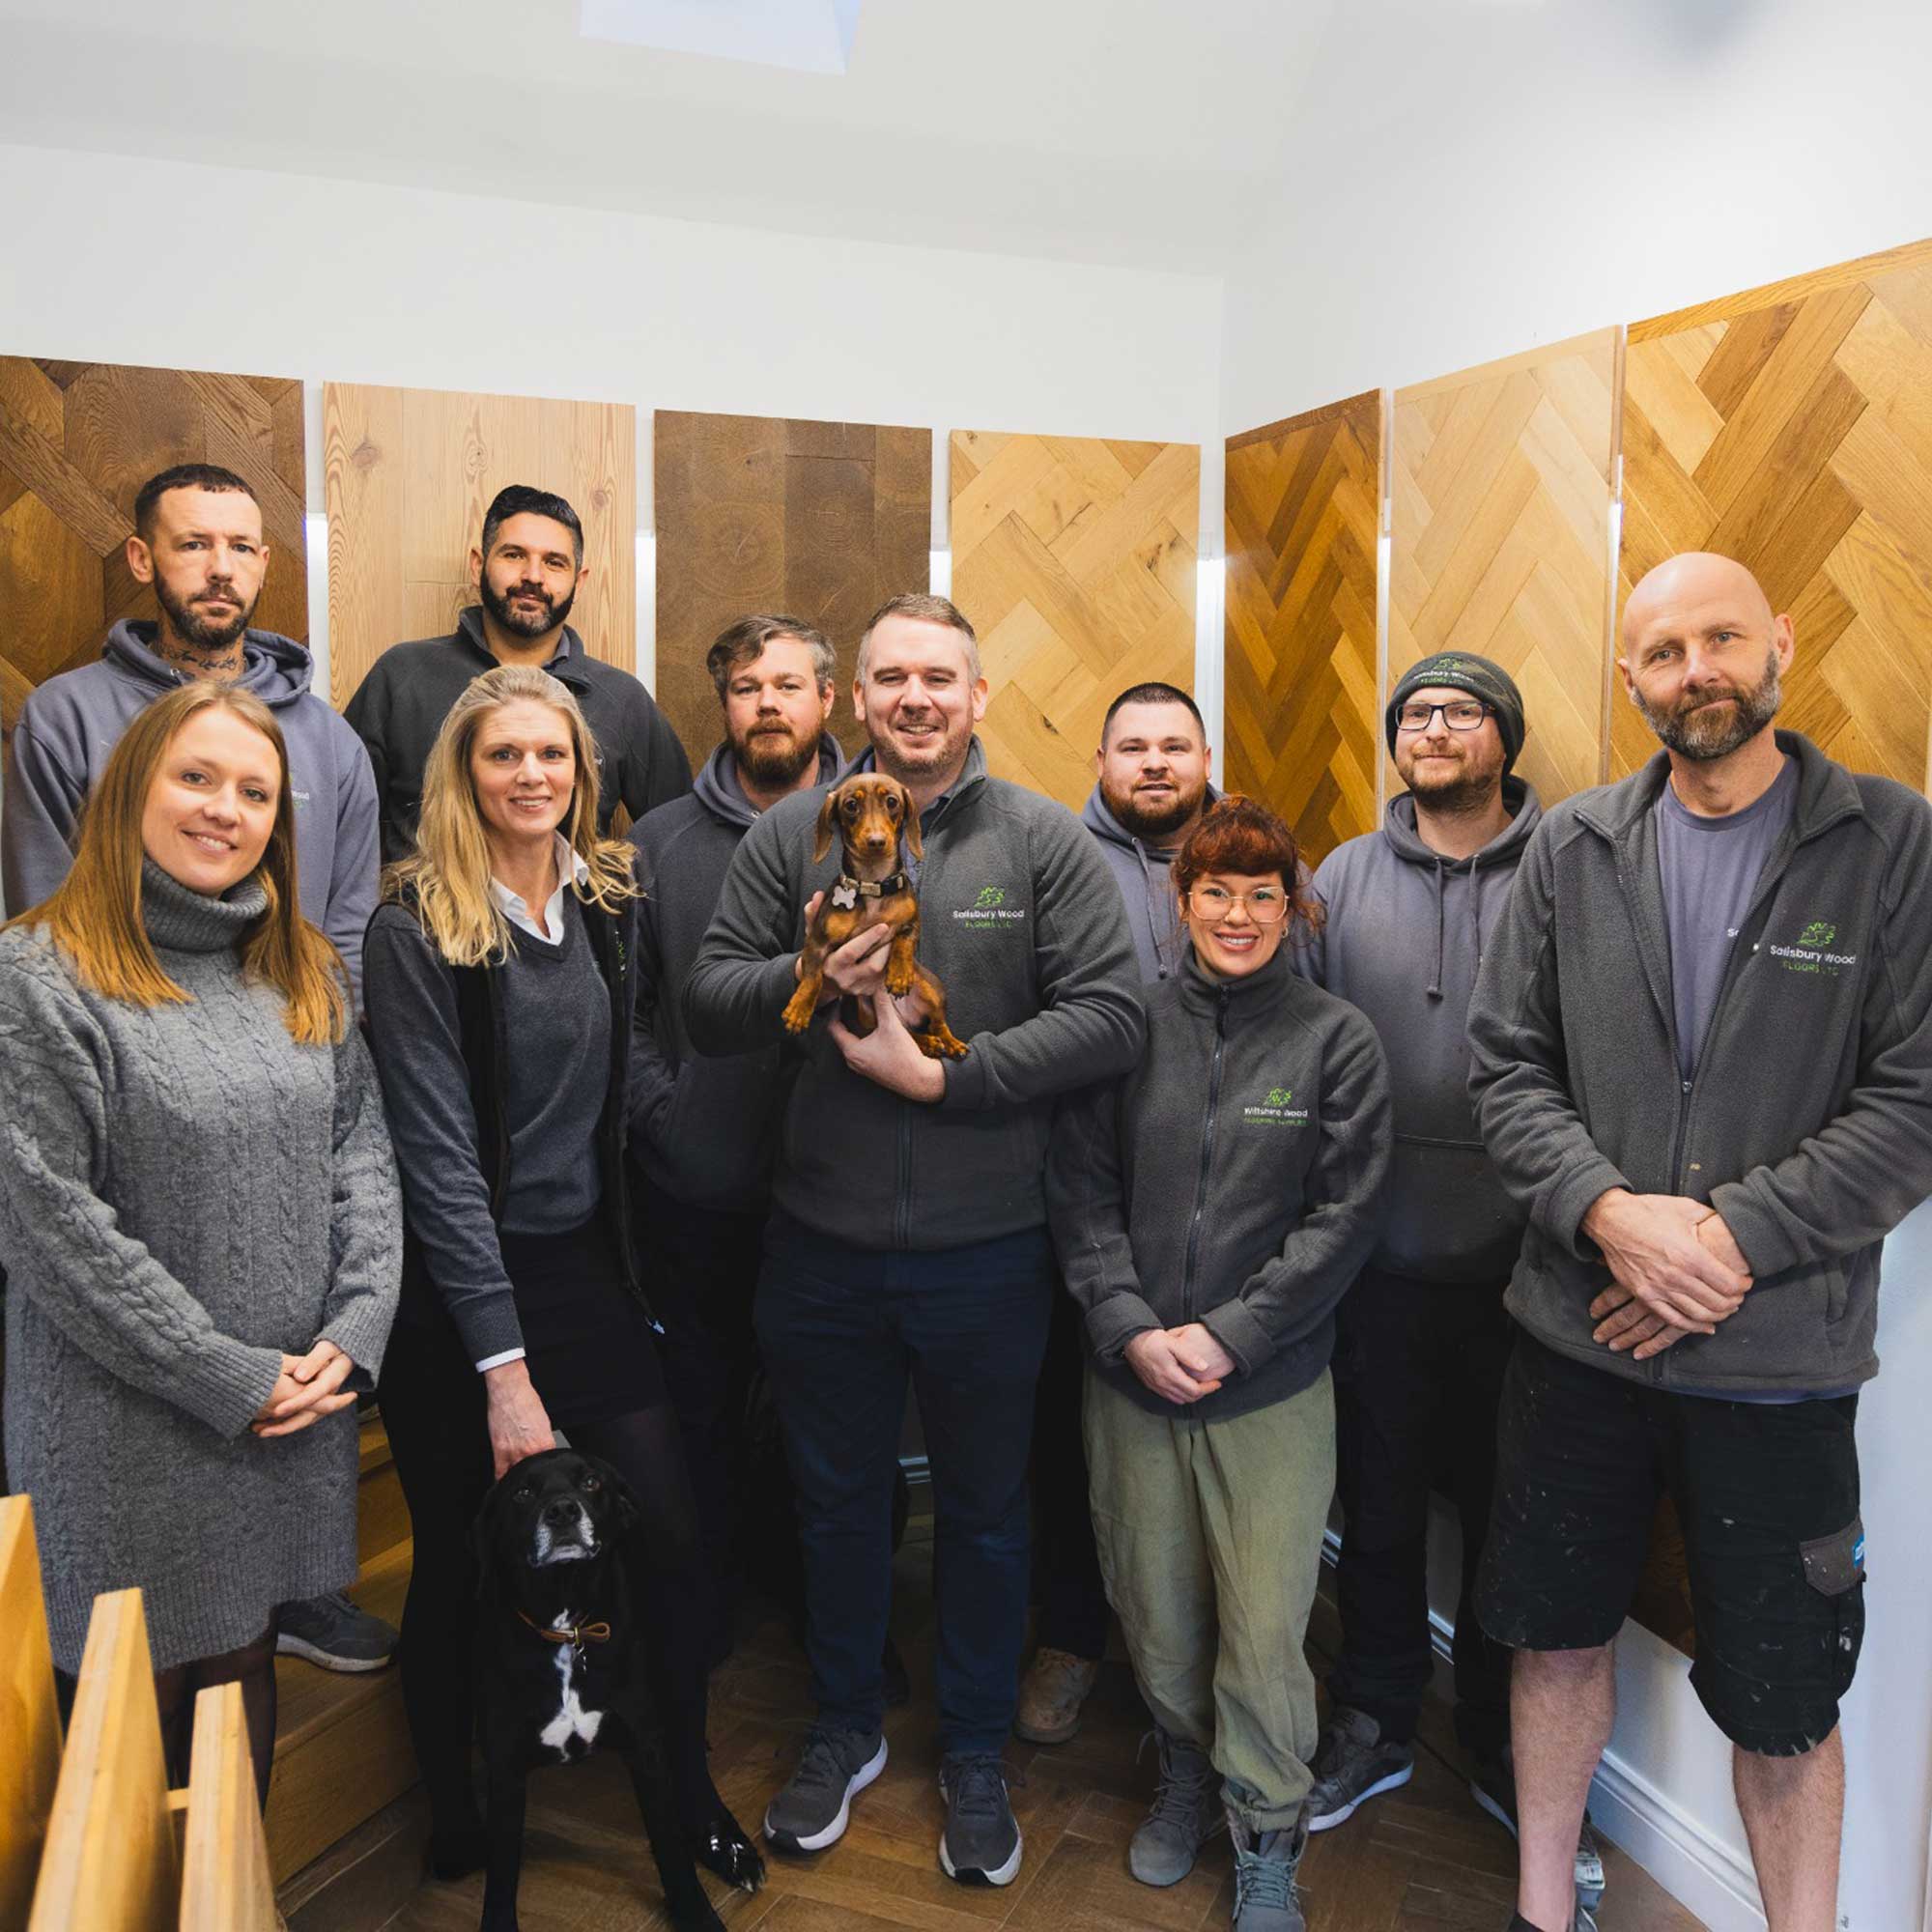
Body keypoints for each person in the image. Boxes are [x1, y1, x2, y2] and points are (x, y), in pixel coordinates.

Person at [1467, 552, 1932, 1932]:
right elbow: (1504, 1066)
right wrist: (1611, 1217)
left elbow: (1915, 1099)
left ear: (1778, 639)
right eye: (1664, 653)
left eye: (1720, 638)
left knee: (1785, 1702)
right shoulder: (1573, 844)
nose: (1697, 673)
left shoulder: (1890, 841)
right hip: (1577, 1341)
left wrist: (1725, 1242)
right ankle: (1542, 1908)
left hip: (1778, 1362)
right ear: (1631, 678)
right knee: (1553, 1643)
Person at [686, 592, 1144, 1887]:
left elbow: (1115, 1016)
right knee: (835, 1504)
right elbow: (706, 1000)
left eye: (940, 676)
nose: (916, 698)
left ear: (978, 695)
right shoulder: (785, 837)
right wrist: (805, 977)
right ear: (860, 700)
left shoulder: (1043, 841)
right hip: (819, 1249)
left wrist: (953, 1078)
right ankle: (843, 1723)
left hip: (989, 1252)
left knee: (989, 1517)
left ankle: (976, 1749)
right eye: (892, 676)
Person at [362, 663, 758, 1886]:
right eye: (503, 754)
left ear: (584, 771)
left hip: (581, 1267)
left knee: (668, 1536)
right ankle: (459, 1806)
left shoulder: (603, 897)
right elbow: (439, 1165)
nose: (530, 774)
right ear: (462, 772)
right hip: (454, 1296)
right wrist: (504, 1371)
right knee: (462, 1555)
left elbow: (623, 1080)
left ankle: (686, 1791)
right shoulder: (414, 925)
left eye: (551, 753)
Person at [1, 459, 394, 1676]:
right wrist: (226, 1372)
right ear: (132, 787)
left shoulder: (300, 970)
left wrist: (356, 1324)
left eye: (255, 792)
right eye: (195, 779)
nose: (226, 808)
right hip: (131, 1421)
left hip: (291, 1409)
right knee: (136, 1729)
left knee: (245, 1694)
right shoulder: (37, 973)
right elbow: (55, 1224)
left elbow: (361, 1153)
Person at [1049, 794, 1391, 1932]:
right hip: (1132, 1377)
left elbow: (1342, 1217)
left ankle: (1266, 1826)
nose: (1236, 914)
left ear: (1292, 908)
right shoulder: (1127, 1027)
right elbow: (1079, 1193)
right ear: (1180, 897)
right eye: (1214, 890)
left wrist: (1232, 1331)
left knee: (1261, 1623)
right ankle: (1185, 1769)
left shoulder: (1336, 1039)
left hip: (1268, 1386)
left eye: (1260, 893)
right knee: (1152, 1607)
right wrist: (1130, 1325)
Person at [1293, 653, 1602, 1899]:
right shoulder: (1340, 874)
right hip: (1373, 1256)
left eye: (1457, 712)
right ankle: (1373, 1716)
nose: (1430, 729)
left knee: (1504, 1515)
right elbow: (1303, 1041)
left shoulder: (1568, 866)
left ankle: (1491, 1730)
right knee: (1373, 1504)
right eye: (1413, 713)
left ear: (1502, 738)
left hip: (1527, 1268)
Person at [629, 612, 842, 1660]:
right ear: (722, 705)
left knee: (828, 1419)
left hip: (840, 1188)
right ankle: (705, 1616)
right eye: (749, 687)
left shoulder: (882, 823)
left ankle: (830, 1618)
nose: (768, 704)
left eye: (788, 685)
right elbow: (622, 1009)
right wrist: (666, 1113)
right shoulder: (655, 841)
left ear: (828, 701)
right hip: (700, 1188)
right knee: (701, 1415)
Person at [1014, 678, 1222, 1750]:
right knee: (1062, 1437)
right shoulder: (1051, 857)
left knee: (1203, 1432)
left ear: (1204, 759)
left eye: (1173, 745)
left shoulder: (1255, 863)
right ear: (1098, 762)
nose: (1153, 763)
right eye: (1131, 746)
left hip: (1215, 1202)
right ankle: (1070, 1637)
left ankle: (1195, 1658)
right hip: (1072, 1193)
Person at [344, 483, 690, 864]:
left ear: (579, 581)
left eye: (554, 562)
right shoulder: (401, 676)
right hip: (424, 901)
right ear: (478, 565)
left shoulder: (621, 699)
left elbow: (683, 834)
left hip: (566, 905)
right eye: (514, 555)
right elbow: (341, 823)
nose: (533, 576)